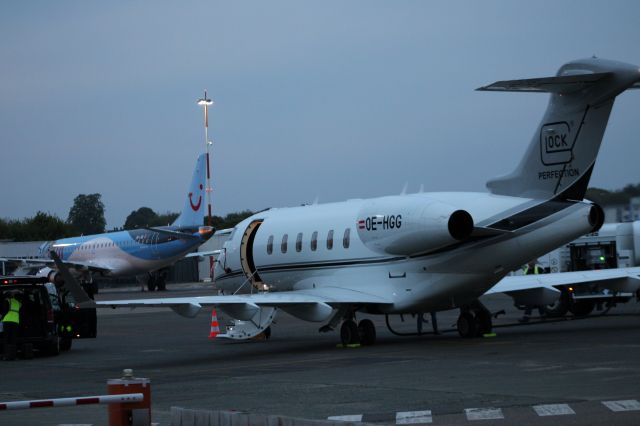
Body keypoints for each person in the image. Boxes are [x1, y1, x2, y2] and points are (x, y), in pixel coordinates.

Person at [2, 290, 22, 360]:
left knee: (6, 339)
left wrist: (2, 318)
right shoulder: (18, 303)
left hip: (7, 321)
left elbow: (4, 311)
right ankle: (13, 355)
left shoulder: (7, 301)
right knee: (13, 339)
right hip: (15, 321)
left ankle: (6, 355)